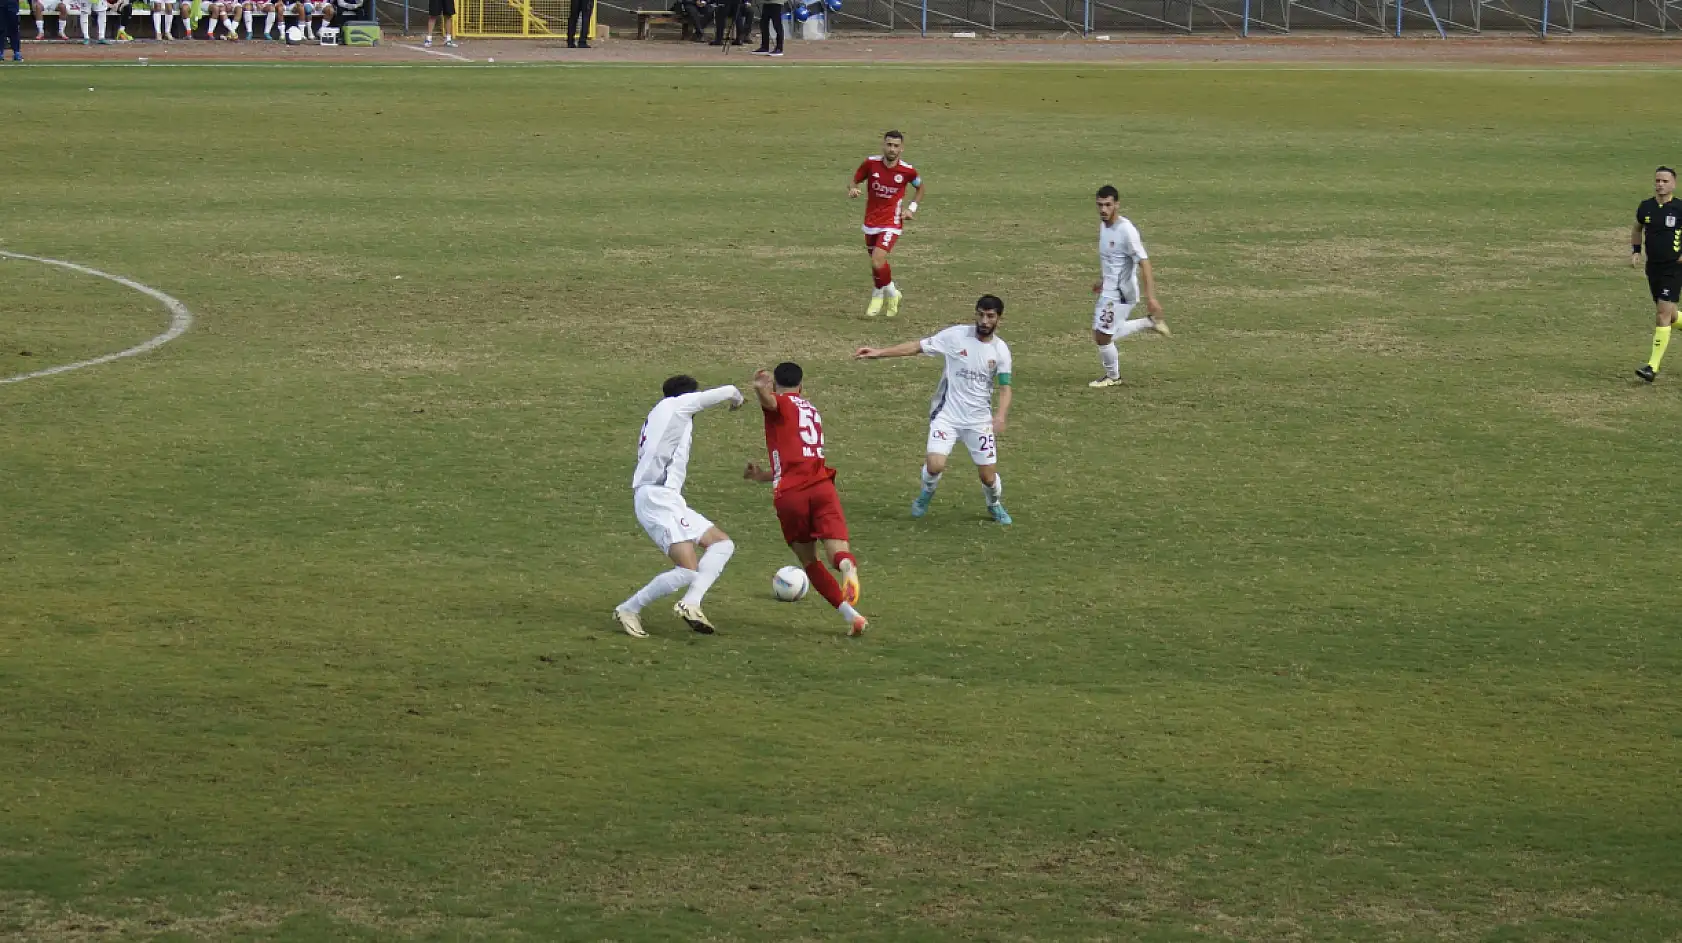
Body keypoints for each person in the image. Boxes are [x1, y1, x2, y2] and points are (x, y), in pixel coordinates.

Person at [854, 295, 1014, 525]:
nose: (984, 321)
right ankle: (925, 494)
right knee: (935, 464)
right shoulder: (956, 336)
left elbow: (1005, 388)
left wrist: (1000, 415)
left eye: (990, 316)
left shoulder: (1000, 351)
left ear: (999, 318)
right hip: (947, 415)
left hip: (979, 421)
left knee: (988, 477)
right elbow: (917, 347)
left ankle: (994, 504)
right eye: (980, 314)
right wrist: (879, 352)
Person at [743, 363, 869, 636]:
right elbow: (794, 457)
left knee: (810, 561)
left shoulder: (782, 403)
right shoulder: (811, 410)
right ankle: (848, 569)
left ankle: (852, 616)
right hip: (822, 487)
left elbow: (771, 403)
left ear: (776, 386)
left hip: (792, 495)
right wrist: (761, 476)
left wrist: (759, 390)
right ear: (802, 386)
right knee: (838, 551)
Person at [614, 375, 744, 638]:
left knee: (722, 544)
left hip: (669, 499)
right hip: (657, 499)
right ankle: (629, 608)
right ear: (685, 396)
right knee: (686, 570)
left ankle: (692, 603)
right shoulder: (677, 405)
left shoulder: (663, 414)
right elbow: (726, 390)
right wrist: (737, 399)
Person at [1087, 184, 1170, 388]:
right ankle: (1149, 323)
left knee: (1103, 336)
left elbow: (1145, 262)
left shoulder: (1126, 231)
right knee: (1103, 334)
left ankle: (1113, 377)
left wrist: (1151, 297)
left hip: (1120, 293)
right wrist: (1102, 279)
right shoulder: (1104, 226)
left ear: (1117, 204)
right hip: (1109, 288)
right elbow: (1112, 260)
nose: (1103, 210)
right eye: (1100, 205)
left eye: (1108, 205)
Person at [849, 131, 924, 318]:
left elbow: (920, 187)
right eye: (889, 145)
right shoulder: (870, 164)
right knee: (877, 263)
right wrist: (853, 189)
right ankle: (887, 292)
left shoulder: (908, 171)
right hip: (871, 220)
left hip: (892, 221)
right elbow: (855, 180)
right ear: (883, 145)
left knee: (877, 259)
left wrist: (911, 209)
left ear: (902, 148)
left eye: (896, 146)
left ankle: (883, 293)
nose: (892, 149)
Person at [1634, 166, 1682, 383]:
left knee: (1662, 314)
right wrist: (1635, 251)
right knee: (1670, 316)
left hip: (1674, 268)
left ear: (1673, 184)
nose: (1660, 184)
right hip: (1653, 267)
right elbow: (1637, 228)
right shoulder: (1646, 207)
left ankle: (1652, 367)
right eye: (1657, 180)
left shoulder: (1680, 208)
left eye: (1664, 181)